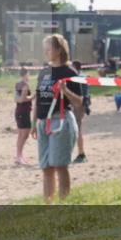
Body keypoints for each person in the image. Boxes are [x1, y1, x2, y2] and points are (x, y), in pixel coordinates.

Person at [31, 35, 84, 203]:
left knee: (60, 165)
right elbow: (39, 98)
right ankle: (48, 204)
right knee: (46, 167)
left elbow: (79, 102)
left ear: (59, 49)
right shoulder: (44, 72)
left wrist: (65, 91)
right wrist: (34, 123)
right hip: (43, 122)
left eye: (49, 48)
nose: (45, 52)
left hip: (60, 120)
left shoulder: (70, 72)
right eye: (44, 48)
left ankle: (63, 203)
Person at [71, 60, 92, 164]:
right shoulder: (83, 76)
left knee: (77, 130)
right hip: (82, 105)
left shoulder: (77, 78)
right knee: (77, 129)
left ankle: (81, 153)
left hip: (78, 106)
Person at [13, 67, 33, 166]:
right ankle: (19, 156)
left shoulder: (17, 84)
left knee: (21, 135)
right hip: (24, 112)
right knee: (24, 135)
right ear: (25, 74)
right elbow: (22, 99)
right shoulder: (25, 85)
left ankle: (19, 156)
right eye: (28, 74)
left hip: (19, 111)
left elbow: (17, 99)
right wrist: (33, 97)